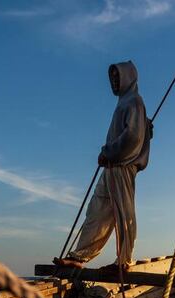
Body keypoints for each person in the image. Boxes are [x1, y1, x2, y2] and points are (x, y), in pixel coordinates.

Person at [55, 61, 150, 269]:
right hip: (111, 166)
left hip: (121, 165)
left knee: (123, 213)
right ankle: (80, 255)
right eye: (112, 78)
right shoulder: (125, 102)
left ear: (128, 77)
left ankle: (124, 260)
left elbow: (133, 136)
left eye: (118, 77)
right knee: (98, 208)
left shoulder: (134, 101)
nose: (114, 82)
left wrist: (108, 152)